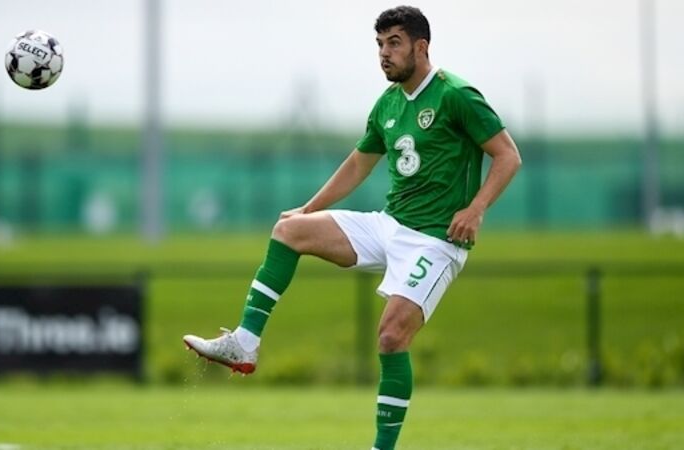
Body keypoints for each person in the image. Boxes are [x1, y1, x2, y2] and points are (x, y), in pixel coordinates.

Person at [184, 5, 522, 449]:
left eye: (394, 43)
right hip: (389, 226)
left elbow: (508, 155)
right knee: (289, 231)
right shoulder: (387, 104)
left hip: (436, 241)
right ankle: (244, 343)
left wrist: (476, 209)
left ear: (421, 47)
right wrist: (307, 209)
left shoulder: (455, 94)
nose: (384, 53)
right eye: (380, 44)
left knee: (390, 337)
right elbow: (358, 165)